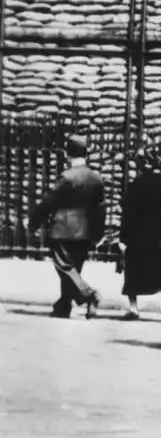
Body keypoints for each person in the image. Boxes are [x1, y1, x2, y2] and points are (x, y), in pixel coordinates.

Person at [29, 134, 106, 320]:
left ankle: (89, 294)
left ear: (67, 154)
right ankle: (63, 306)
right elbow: (101, 208)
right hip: (85, 229)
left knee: (64, 267)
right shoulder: (96, 178)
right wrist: (98, 232)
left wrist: (33, 223)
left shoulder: (66, 177)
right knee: (73, 270)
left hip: (63, 227)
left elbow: (48, 202)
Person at [120, 147, 161, 321]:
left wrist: (123, 238)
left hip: (138, 236)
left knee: (132, 272)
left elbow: (128, 214)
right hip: (159, 235)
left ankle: (133, 309)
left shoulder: (134, 187)